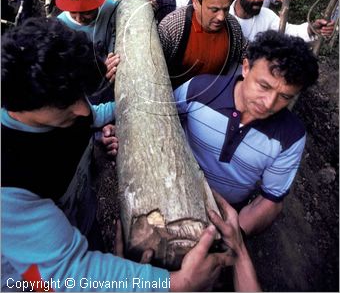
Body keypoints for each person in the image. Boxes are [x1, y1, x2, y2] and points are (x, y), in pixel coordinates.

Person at [1, 17, 260, 292]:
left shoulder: (57, 103)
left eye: (81, 95)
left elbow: (92, 115)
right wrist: (174, 283)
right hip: (31, 276)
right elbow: (67, 273)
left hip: (78, 226)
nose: (82, 110)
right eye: (67, 103)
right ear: (19, 105)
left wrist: (120, 113)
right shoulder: (8, 181)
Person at [174, 30, 319, 236]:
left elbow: (271, 199)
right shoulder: (200, 89)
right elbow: (163, 116)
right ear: (245, 67)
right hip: (175, 188)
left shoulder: (291, 136)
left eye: (285, 96)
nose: (269, 103)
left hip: (229, 211)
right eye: (263, 86)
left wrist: (234, 237)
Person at [158, 0, 246, 88]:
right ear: (195, 3)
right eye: (214, 10)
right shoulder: (173, 27)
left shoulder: (232, 26)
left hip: (214, 94)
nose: (221, 17)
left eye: (226, 9)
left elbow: (245, 51)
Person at [56, 0, 121, 102]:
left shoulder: (109, 7)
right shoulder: (60, 27)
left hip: (113, 76)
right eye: (73, 12)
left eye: (86, 12)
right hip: (84, 90)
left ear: (97, 4)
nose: (79, 18)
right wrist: (98, 71)